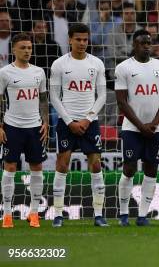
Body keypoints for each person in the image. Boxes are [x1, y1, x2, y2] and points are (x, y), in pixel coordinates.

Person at [50, 23, 107, 227]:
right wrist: (69, 121)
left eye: (85, 39)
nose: (82, 43)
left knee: (96, 164)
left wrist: (87, 119)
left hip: (89, 123)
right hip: (67, 123)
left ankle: (99, 215)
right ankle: (57, 214)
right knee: (62, 165)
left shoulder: (97, 63)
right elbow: (54, 96)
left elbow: (102, 96)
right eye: (78, 39)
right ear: (70, 39)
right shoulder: (59, 64)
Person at [115, 29, 159, 226]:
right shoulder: (123, 68)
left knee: (151, 169)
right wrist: (141, 125)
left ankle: (142, 215)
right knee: (129, 168)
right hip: (132, 128)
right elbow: (121, 101)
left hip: (156, 128)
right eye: (142, 43)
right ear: (134, 45)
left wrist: (154, 123)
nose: (147, 46)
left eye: (149, 42)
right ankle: (122, 213)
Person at [0, 33, 49, 228]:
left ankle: (34, 213)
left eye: (29, 47)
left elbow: (43, 99)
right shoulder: (5, 73)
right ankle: (7, 213)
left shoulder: (39, 72)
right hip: (12, 126)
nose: (27, 51)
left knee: (36, 168)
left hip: (35, 127)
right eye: (23, 47)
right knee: (10, 168)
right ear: (13, 50)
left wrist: (45, 121)